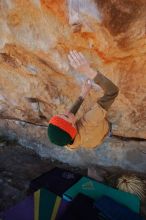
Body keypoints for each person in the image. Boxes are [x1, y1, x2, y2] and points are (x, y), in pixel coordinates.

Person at [48, 50, 119, 150]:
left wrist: (82, 95)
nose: (66, 112)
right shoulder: (89, 121)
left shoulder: (68, 141)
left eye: (61, 115)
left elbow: (68, 119)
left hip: (91, 143)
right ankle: (110, 130)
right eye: (66, 116)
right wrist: (87, 70)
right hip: (102, 129)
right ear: (74, 128)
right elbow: (113, 92)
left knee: (71, 119)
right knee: (102, 118)